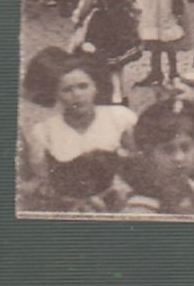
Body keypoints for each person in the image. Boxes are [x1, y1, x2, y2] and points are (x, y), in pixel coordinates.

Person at [20, 49, 136, 211]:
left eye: (83, 86)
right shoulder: (44, 132)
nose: (77, 95)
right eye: (67, 90)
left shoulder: (120, 117)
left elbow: (139, 162)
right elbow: (43, 180)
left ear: (95, 87)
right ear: (56, 94)